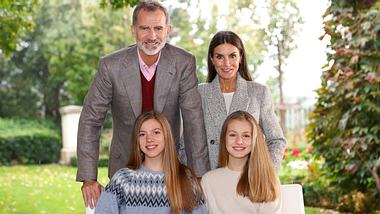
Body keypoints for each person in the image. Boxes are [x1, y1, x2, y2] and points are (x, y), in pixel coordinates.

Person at [77, 0, 209, 209]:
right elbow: (91, 119)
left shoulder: (183, 62)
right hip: (124, 165)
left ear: (168, 30)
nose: (152, 36)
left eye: (158, 28)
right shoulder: (110, 66)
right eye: (144, 28)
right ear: (133, 30)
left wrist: (200, 175)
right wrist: (88, 177)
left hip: (170, 168)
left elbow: (194, 119)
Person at [198, 30, 286, 170]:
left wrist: (265, 174)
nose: (227, 63)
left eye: (232, 56)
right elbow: (186, 143)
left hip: (249, 179)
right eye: (220, 57)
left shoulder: (259, 92)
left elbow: (276, 140)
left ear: (241, 57)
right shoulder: (199, 93)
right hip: (210, 180)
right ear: (212, 59)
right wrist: (197, 179)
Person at [95, 111, 207, 214]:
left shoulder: (186, 178)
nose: (149, 139)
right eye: (142, 134)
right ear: (137, 141)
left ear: (166, 136)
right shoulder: (123, 178)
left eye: (156, 132)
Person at [201, 111, 281, 214]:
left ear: (255, 140)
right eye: (233, 135)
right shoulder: (208, 180)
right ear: (224, 138)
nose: (239, 141)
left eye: (246, 136)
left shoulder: (267, 179)